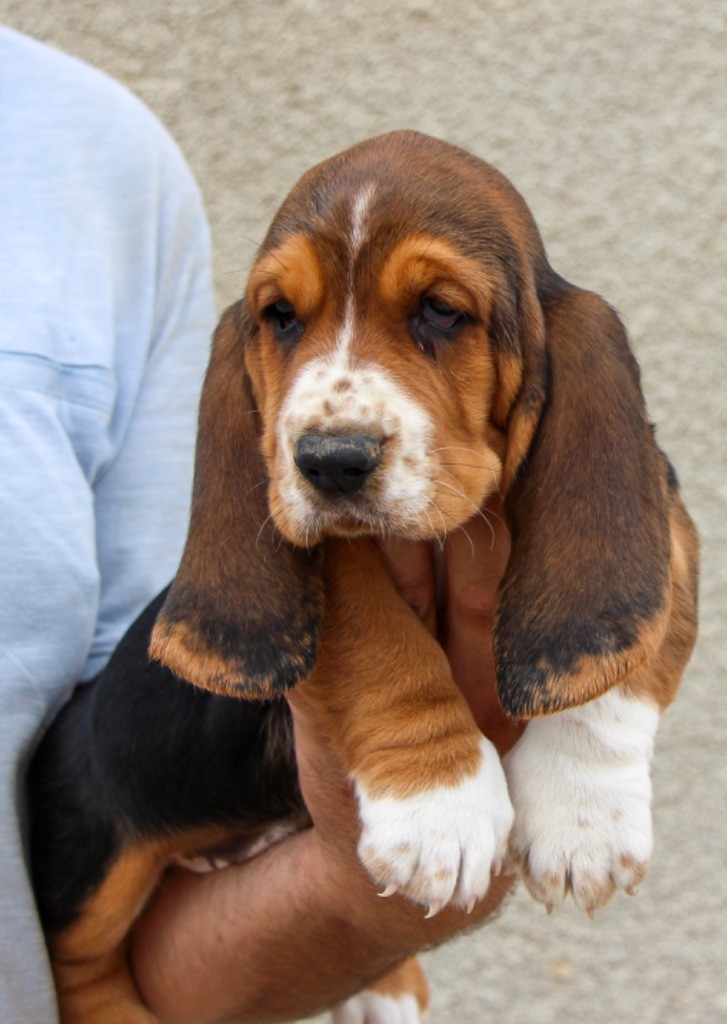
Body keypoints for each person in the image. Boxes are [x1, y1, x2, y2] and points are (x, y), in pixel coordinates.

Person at [0, 27, 516, 1022]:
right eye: (285, 319)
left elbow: (138, 720)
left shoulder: (97, 155)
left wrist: (363, 900)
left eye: (438, 313)